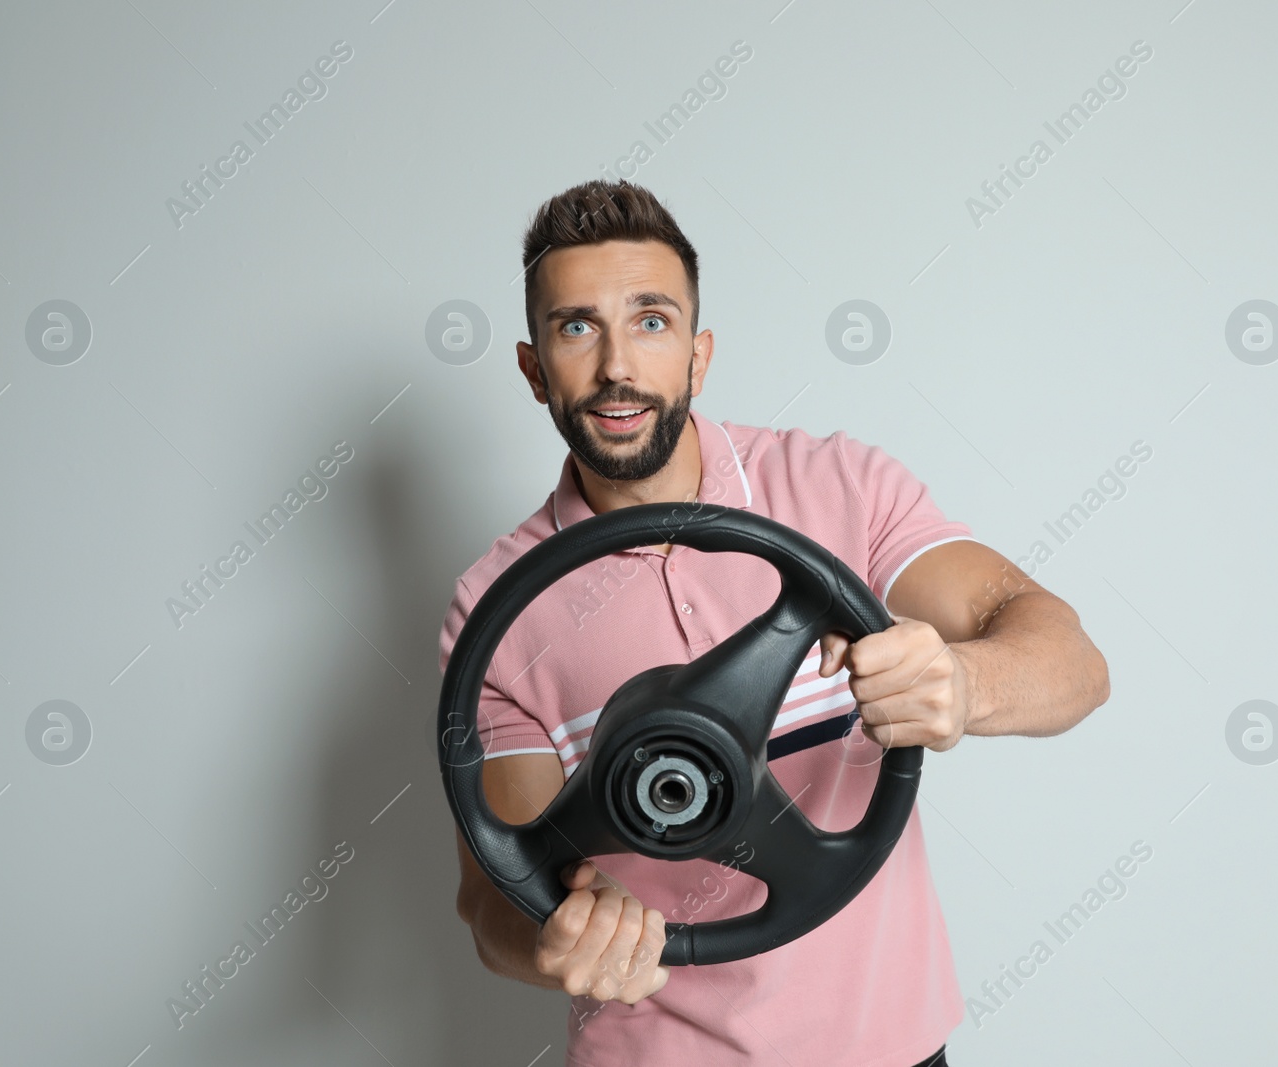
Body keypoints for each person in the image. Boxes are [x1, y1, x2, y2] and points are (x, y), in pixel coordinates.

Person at [439, 179, 1109, 1066]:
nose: (616, 367)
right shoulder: (496, 607)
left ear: (698, 353)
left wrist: (963, 682)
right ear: (533, 370)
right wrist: (556, 941)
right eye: (575, 327)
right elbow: (497, 898)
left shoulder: (842, 488)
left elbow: (1071, 659)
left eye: (650, 321)